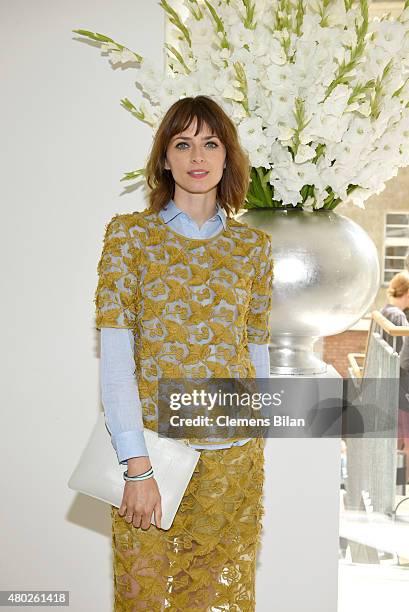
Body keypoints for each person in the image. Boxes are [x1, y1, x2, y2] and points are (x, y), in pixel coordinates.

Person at [94, 95, 274, 610]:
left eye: (211, 143)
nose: (198, 156)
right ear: (164, 159)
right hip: (154, 457)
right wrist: (137, 466)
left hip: (232, 463)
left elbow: (254, 345)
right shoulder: (130, 238)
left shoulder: (253, 248)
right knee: (143, 598)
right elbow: (116, 363)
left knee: (211, 602)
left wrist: (257, 432)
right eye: (183, 142)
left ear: (227, 156)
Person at [380, 271, 409, 482]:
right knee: (404, 441)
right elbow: (402, 359)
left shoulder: (385, 311)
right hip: (399, 387)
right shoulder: (398, 317)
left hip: (389, 386)